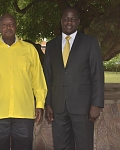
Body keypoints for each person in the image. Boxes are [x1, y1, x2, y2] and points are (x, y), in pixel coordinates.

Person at [0, 14, 47, 150]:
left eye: (11, 24)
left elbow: (38, 79)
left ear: (16, 27)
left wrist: (39, 104)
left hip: (24, 111)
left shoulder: (29, 50)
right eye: (4, 24)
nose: (8, 27)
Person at [43, 6, 104, 150]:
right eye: (66, 19)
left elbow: (97, 74)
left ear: (78, 22)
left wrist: (96, 104)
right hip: (58, 107)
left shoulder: (90, 42)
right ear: (61, 21)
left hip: (83, 107)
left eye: (72, 19)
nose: (69, 22)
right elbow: (48, 76)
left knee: (84, 145)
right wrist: (48, 103)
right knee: (61, 146)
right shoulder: (51, 46)